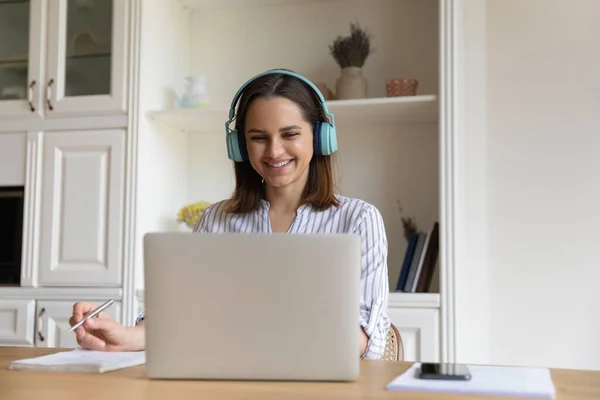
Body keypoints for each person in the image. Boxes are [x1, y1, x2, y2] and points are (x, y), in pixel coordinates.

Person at [69, 69, 391, 360]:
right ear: (240, 146)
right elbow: (180, 312)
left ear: (320, 137)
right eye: (258, 138)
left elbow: (363, 337)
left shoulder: (359, 220)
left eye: (290, 134)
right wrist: (124, 338)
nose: (275, 151)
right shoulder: (217, 220)